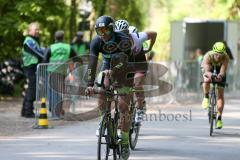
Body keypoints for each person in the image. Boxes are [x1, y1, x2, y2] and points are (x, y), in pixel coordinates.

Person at [85, 15, 133, 160]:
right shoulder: (96, 42)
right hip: (108, 66)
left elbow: (124, 61)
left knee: (124, 107)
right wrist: (89, 84)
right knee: (102, 90)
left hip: (125, 67)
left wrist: (114, 71)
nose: (103, 34)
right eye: (100, 32)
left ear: (112, 29)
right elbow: (92, 64)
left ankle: (124, 140)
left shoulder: (124, 40)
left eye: (105, 30)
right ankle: (104, 118)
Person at [115, 20, 157, 123]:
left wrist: (150, 48)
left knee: (137, 84)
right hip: (125, 65)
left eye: (124, 34)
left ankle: (140, 108)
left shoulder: (138, 37)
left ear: (128, 33)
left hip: (139, 64)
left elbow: (154, 33)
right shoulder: (114, 41)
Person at [45, 30, 77, 117]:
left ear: (55, 37)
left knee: (51, 91)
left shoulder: (51, 47)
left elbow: (45, 59)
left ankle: (54, 110)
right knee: (58, 91)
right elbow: (75, 57)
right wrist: (71, 70)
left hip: (51, 71)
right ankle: (56, 111)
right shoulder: (68, 47)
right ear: (63, 37)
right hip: (61, 72)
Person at [201, 42, 229, 129]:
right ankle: (206, 97)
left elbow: (223, 71)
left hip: (219, 69)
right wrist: (211, 76)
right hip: (209, 67)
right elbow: (206, 71)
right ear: (213, 52)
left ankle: (219, 118)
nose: (218, 56)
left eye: (220, 54)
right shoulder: (207, 56)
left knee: (220, 94)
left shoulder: (225, 57)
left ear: (223, 53)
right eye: (216, 54)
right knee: (206, 80)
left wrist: (220, 76)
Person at [21, 22, 45, 118]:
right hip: (30, 67)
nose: (37, 31)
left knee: (30, 89)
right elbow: (37, 52)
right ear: (29, 31)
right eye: (35, 30)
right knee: (32, 89)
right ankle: (28, 112)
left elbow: (40, 50)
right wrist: (45, 56)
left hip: (33, 67)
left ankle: (24, 111)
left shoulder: (34, 40)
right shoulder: (29, 41)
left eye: (38, 29)